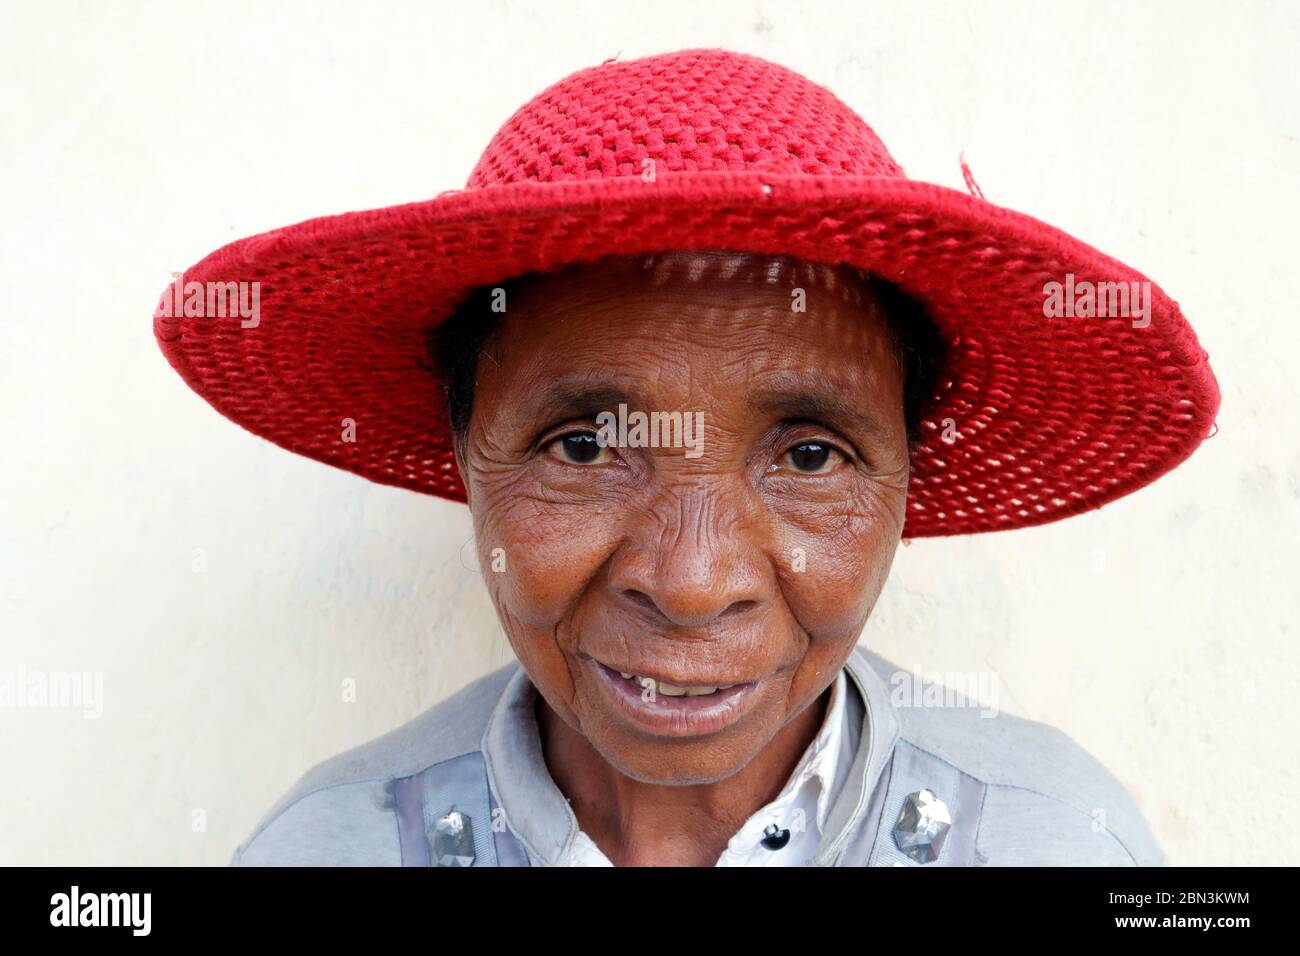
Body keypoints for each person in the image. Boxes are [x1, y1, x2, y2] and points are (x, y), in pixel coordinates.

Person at [153, 48, 1219, 866]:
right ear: (464, 453)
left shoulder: (1057, 842)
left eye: (809, 455)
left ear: (904, 472)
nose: (692, 581)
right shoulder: (325, 847)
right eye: (581, 444)